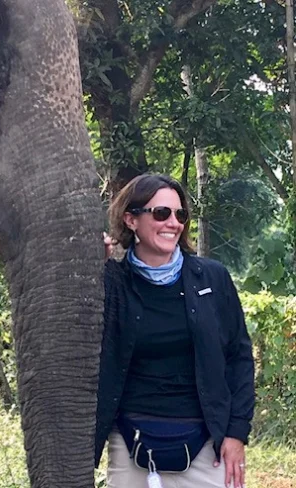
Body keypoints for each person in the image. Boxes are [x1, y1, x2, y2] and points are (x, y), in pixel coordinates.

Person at [95, 174, 255, 488]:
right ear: (131, 219)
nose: (173, 223)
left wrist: (236, 433)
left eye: (180, 214)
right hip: (131, 441)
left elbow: (239, 358)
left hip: (208, 445)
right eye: (161, 213)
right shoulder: (111, 282)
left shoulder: (212, 277)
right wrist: (91, 268)